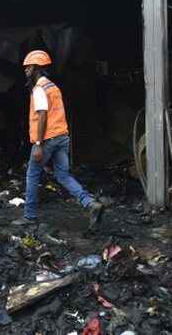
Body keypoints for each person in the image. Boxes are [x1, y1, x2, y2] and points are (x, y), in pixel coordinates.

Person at [13, 50, 105, 229]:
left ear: (37, 69)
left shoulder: (39, 89)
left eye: (28, 67)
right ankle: (90, 203)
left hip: (46, 140)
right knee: (63, 175)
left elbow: (42, 115)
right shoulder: (53, 87)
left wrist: (39, 144)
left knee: (32, 175)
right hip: (62, 137)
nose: (26, 71)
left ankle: (29, 216)